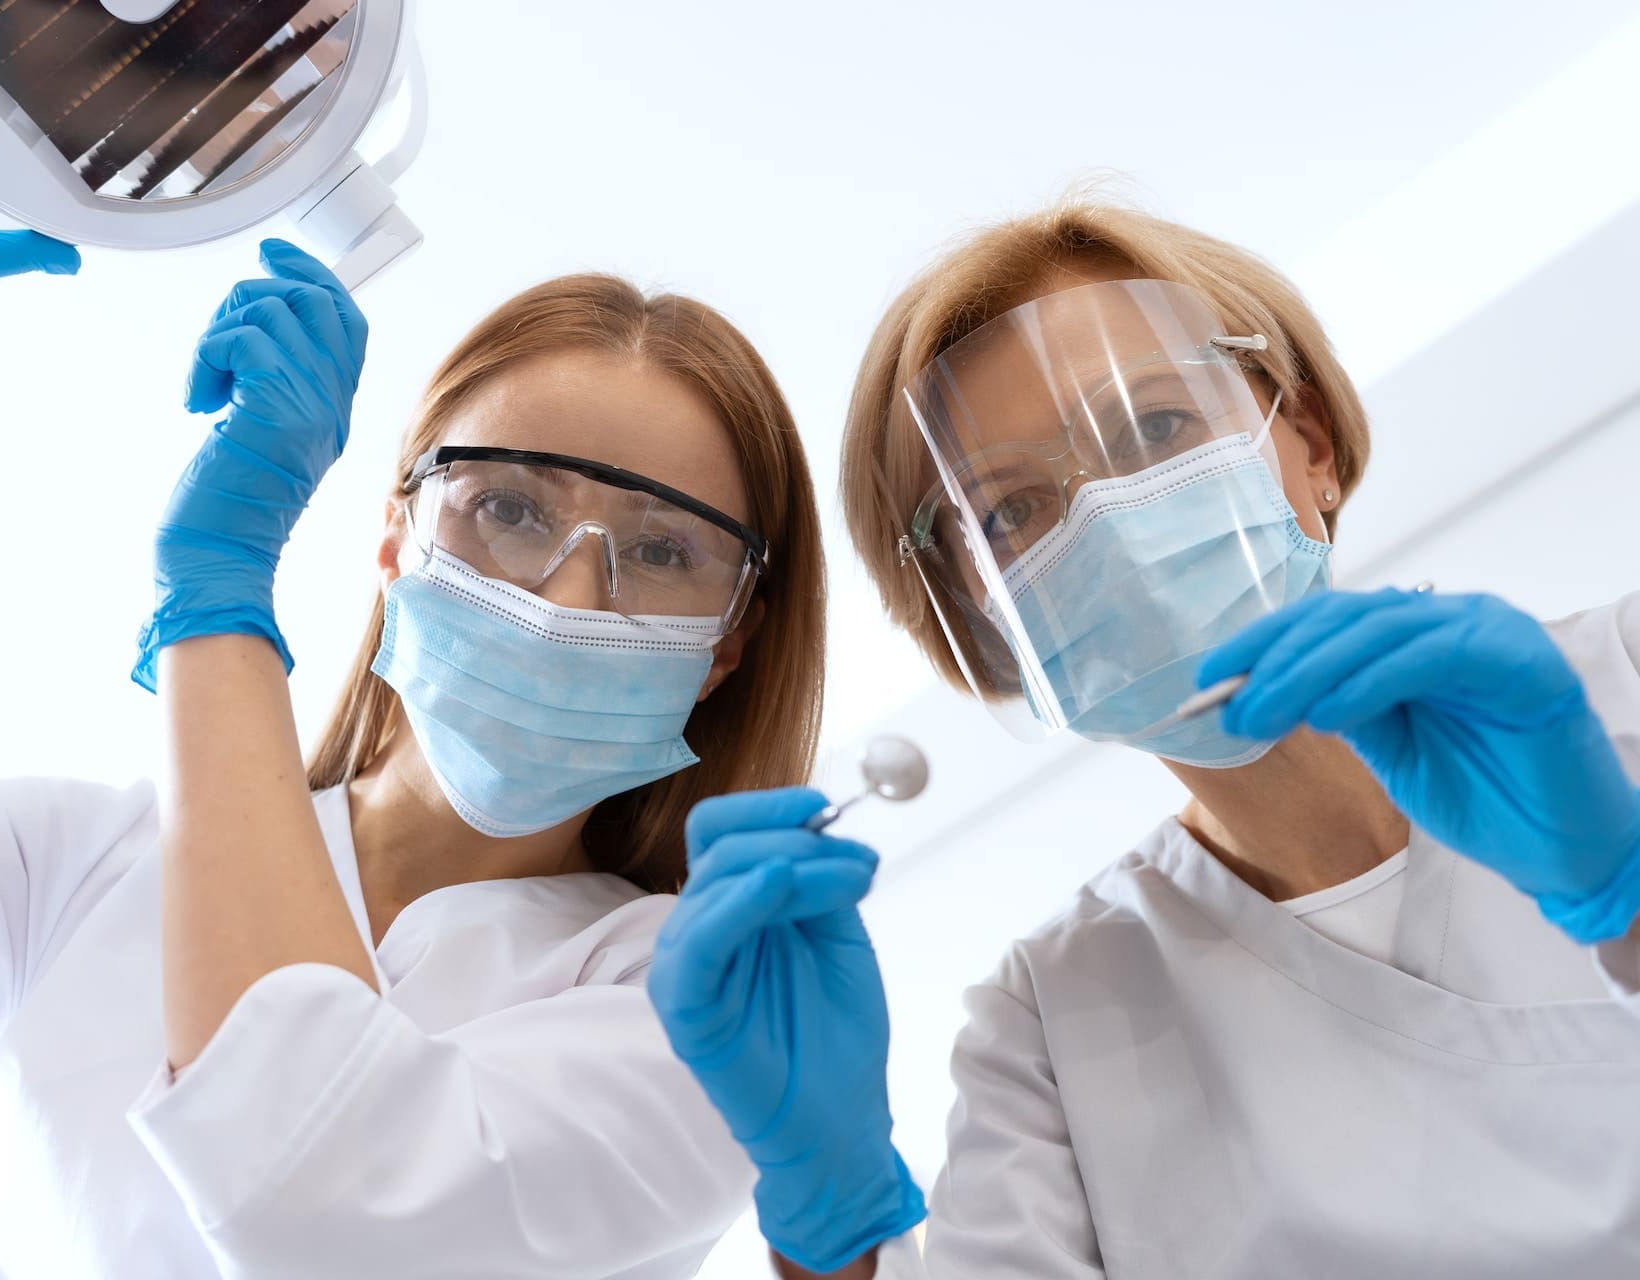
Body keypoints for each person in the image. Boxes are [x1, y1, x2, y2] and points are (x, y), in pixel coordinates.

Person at [0, 3, 829, 1275]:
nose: (572, 594)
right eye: (511, 507)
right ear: (396, 539)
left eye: (663, 550)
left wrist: (217, 598)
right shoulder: (83, 873)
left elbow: (322, 1198)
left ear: (733, 642)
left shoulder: (705, 1012)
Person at [649, 198, 1640, 1278]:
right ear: (980, 625)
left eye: (1157, 428)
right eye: (1011, 510)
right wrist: (825, 1214)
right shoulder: (1052, 1029)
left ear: (1307, 443)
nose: (1108, 520)